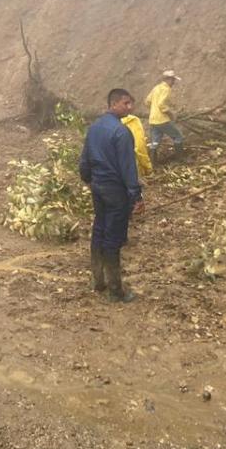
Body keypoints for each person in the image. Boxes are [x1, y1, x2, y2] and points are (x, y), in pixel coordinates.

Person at [79, 88, 144, 303]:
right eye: (126, 103)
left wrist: (88, 179)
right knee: (113, 236)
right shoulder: (121, 132)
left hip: (98, 186)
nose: (130, 108)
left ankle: (98, 280)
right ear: (114, 104)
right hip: (115, 190)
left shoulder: (95, 128)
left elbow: (85, 159)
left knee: (99, 229)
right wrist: (136, 195)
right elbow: (128, 168)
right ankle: (116, 290)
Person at [146, 70, 184, 164]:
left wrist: (154, 110)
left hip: (153, 120)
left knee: (155, 142)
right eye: (173, 80)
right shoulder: (166, 89)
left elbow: (147, 101)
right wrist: (171, 114)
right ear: (168, 79)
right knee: (178, 136)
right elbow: (161, 104)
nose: (174, 82)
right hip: (162, 120)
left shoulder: (156, 88)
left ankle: (153, 164)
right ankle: (180, 160)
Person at [121, 113, 152, 215]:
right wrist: (147, 166)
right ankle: (133, 209)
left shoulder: (107, 123)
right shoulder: (134, 121)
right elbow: (139, 147)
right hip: (131, 162)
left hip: (112, 166)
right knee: (132, 187)